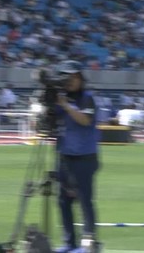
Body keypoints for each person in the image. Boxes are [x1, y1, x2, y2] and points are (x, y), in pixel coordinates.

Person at [54, 61, 101, 253]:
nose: (71, 81)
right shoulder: (59, 100)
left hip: (85, 157)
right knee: (63, 200)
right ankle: (69, 243)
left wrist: (65, 105)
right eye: (67, 77)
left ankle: (88, 242)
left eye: (74, 77)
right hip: (64, 156)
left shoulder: (87, 98)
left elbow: (85, 120)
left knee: (84, 200)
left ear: (81, 79)